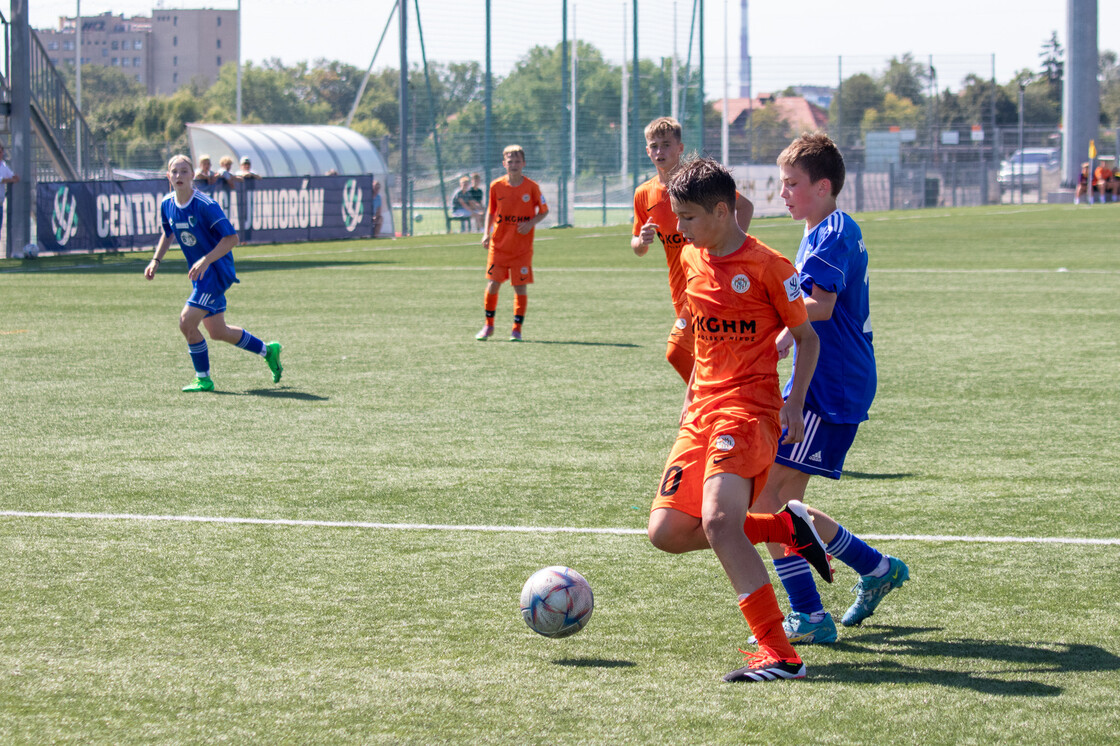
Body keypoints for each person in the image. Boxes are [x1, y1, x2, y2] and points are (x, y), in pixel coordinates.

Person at [647, 156, 863, 683]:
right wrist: (692, 392)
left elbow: (808, 339)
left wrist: (792, 405)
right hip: (701, 411)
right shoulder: (694, 260)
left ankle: (781, 654)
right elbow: (702, 335)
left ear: (723, 212)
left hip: (749, 410)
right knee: (668, 532)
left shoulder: (770, 267)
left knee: (721, 523)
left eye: (690, 218)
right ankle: (787, 525)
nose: (681, 229)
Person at [747, 133, 908, 646]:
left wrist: (770, 339)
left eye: (791, 184)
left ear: (822, 186)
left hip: (831, 385)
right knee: (782, 503)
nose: (783, 193)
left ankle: (811, 613)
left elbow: (820, 305)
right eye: (781, 183)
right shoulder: (820, 229)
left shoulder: (834, 232)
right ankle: (875, 568)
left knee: (766, 499)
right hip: (825, 379)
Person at [144, 154, 282, 392]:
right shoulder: (167, 203)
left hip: (216, 272)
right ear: (168, 176)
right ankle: (269, 351)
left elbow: (232, 238)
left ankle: (203, 378)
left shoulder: (206, 205)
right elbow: (168, 233)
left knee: (186, 322)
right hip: (201, 275)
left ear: (193, 175)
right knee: (218, 332)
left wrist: (205, 261)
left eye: (184, 171)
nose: (179, 176)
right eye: (174, 172)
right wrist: (156, 260)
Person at [632, 117, 754, 383]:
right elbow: (637, 249)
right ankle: (722, 404)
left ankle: (710, 401)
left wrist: (732, 249)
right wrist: (642, 240)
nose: (659, 151)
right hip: (680, 288)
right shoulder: (644, 194)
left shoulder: (699, 183)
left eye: (666, 145)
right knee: (705, 355)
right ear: (647, 151)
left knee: (676, 352)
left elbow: (744, 207)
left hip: (709, 281)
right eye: (654, 146)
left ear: (680, 148)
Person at [476, 145, 548, 342]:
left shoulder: (532, 187)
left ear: (523, 164)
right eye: (510, 161)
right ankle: (488, 325)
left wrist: (530, 223)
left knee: (520, 287)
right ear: (504, 164)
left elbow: (543, 211)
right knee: (493, 284)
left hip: (521, 249)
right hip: (498, 245)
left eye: (517, 161)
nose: (514, 165)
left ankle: (516, 329)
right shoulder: (496, 186)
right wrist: (486, 233)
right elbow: (491, 211)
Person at [0, 143, 19, 255]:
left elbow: (12, 177)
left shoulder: (3, 166)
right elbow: (2, 180)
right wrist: (10, 179)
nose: (1, 154)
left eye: (1, 152)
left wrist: (14, 178)